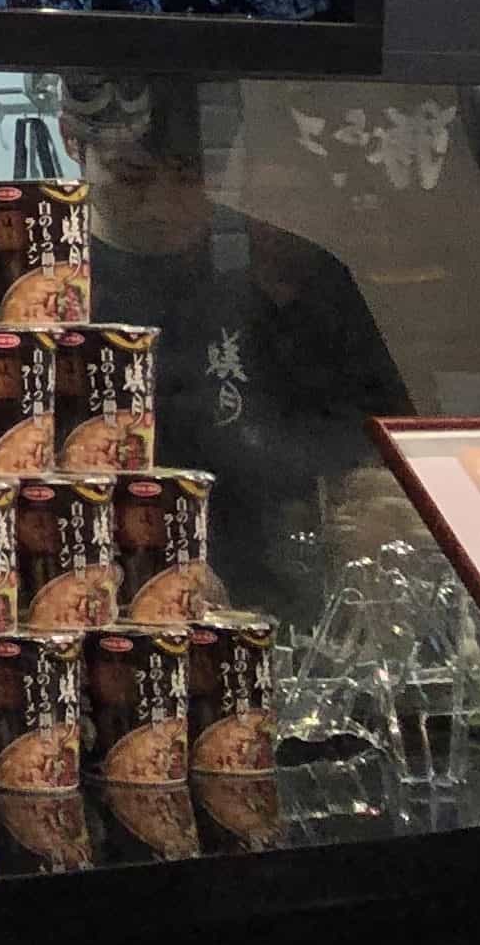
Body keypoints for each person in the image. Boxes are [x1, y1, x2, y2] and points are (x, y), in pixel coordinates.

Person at [67, 73, 415, 628]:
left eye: (191, 176)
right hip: (97, 614)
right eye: (131, 176)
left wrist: (374, 504)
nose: (163, 204)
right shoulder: (36, 290)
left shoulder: (291, 273)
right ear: (72, 141)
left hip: (288, 612)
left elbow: (379, 449)